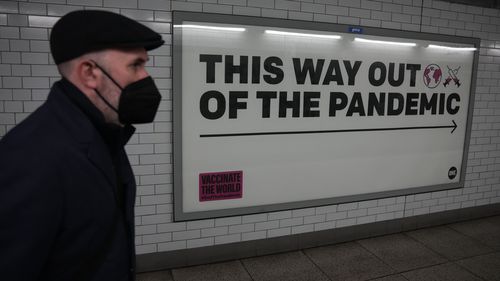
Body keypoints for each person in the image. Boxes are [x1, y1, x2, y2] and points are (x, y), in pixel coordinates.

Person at [0, 10, 164, 281]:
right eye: (135, 65)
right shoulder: (28, 159)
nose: (145, 77)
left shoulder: (103, 131)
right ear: (89, 73)